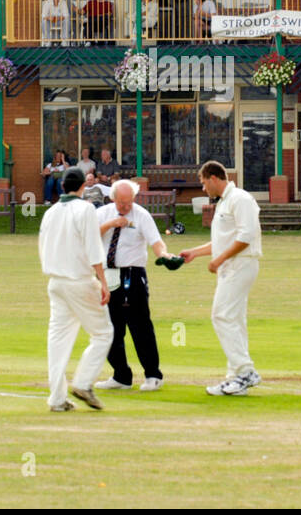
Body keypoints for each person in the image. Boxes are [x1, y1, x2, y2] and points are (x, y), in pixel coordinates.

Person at [180, 161, 263, 396]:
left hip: (241, 264)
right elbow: (223, 241)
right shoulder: (225, 202)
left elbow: (246, 236)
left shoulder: (240, 199)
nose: (204, 188)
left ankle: (245, 371)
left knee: (222, 315)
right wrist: (195, 252)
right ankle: (236, 377)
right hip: (231, 266)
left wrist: (219, 260)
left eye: (204, 183)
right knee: (234, 319)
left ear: (214, 178)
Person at [38, 167, 112, 412]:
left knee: (58, 341)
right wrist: (102, 281)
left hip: (56, 283)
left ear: (62, 187)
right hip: (78, 280)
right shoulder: (86, 209)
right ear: (83, 187)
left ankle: (57, 399)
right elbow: (93, 248)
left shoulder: (50, 212)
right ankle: (82, 383)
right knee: (103, 334)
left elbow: (42, 248)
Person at [94, 180, 169, 392]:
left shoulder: (141, 215)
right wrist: (111, 224)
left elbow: (156, 241)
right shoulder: (103, 213)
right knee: (110, 328)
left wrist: (163, 254)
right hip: (108, 275)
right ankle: (121, 375)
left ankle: (153, 374)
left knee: (140, 326)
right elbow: (89, 236)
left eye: (128, 203)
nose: (124, 207)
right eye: (120, 203)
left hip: (132, 275)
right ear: (113, 199)